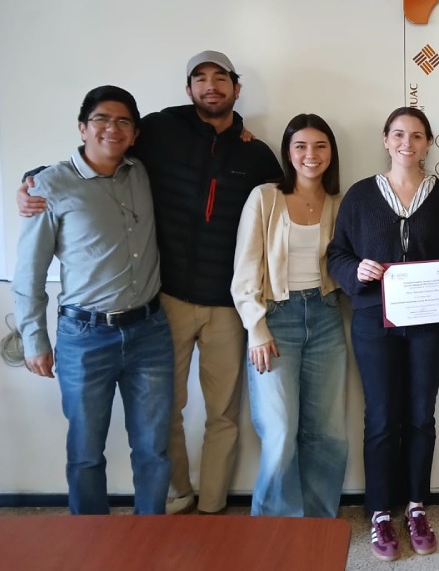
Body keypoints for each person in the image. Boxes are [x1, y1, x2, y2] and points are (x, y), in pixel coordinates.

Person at [18, 50, 282, 515]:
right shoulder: (158, 132)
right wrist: (31, 179)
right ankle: (176, 494)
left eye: (221, 78)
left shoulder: (254, 151)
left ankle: (211, 504)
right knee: (162, 419)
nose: (210, 86)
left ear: (237, 89)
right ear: (188, 90)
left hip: (224, 305)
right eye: (199, 78)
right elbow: (93, 158)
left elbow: (279, 208)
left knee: (217, 414)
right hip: (165, 303)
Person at [13, 85, 173, 515]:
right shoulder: (48, 186)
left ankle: (150, 534)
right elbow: (28, 272)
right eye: (101, 119)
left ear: (135, 133)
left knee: (154, 449)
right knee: (85, 451)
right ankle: (90, 543)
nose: (112, 129)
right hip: (84, 337)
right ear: (82, 127)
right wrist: (34, 339)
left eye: (123, 121)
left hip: (150, 333)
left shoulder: (141, 172)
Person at [327, 107, 439, 562]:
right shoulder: (360, 196)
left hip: (430, 323)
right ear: (385, 140)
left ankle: (415, 506)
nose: (407, 142)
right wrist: (356, 269)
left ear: (429, 143)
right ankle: (378, 514)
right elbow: (336, 255)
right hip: (374, 321)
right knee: (382, 417)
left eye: (416, 135)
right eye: (398, 134)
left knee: (420, 416)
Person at [231, 114, 348, 518]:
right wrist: (256, 328)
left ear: (332, 153)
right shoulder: (265, 197)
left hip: (326, 317)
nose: (310, 155)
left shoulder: (340, 202)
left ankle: (318, 524)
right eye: (300, 146)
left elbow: (349, 263)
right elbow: (245, 270)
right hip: (275, 320)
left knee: (328, 432)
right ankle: (275, 528)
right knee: (280, 432)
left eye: (320, 146)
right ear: (288, 152)